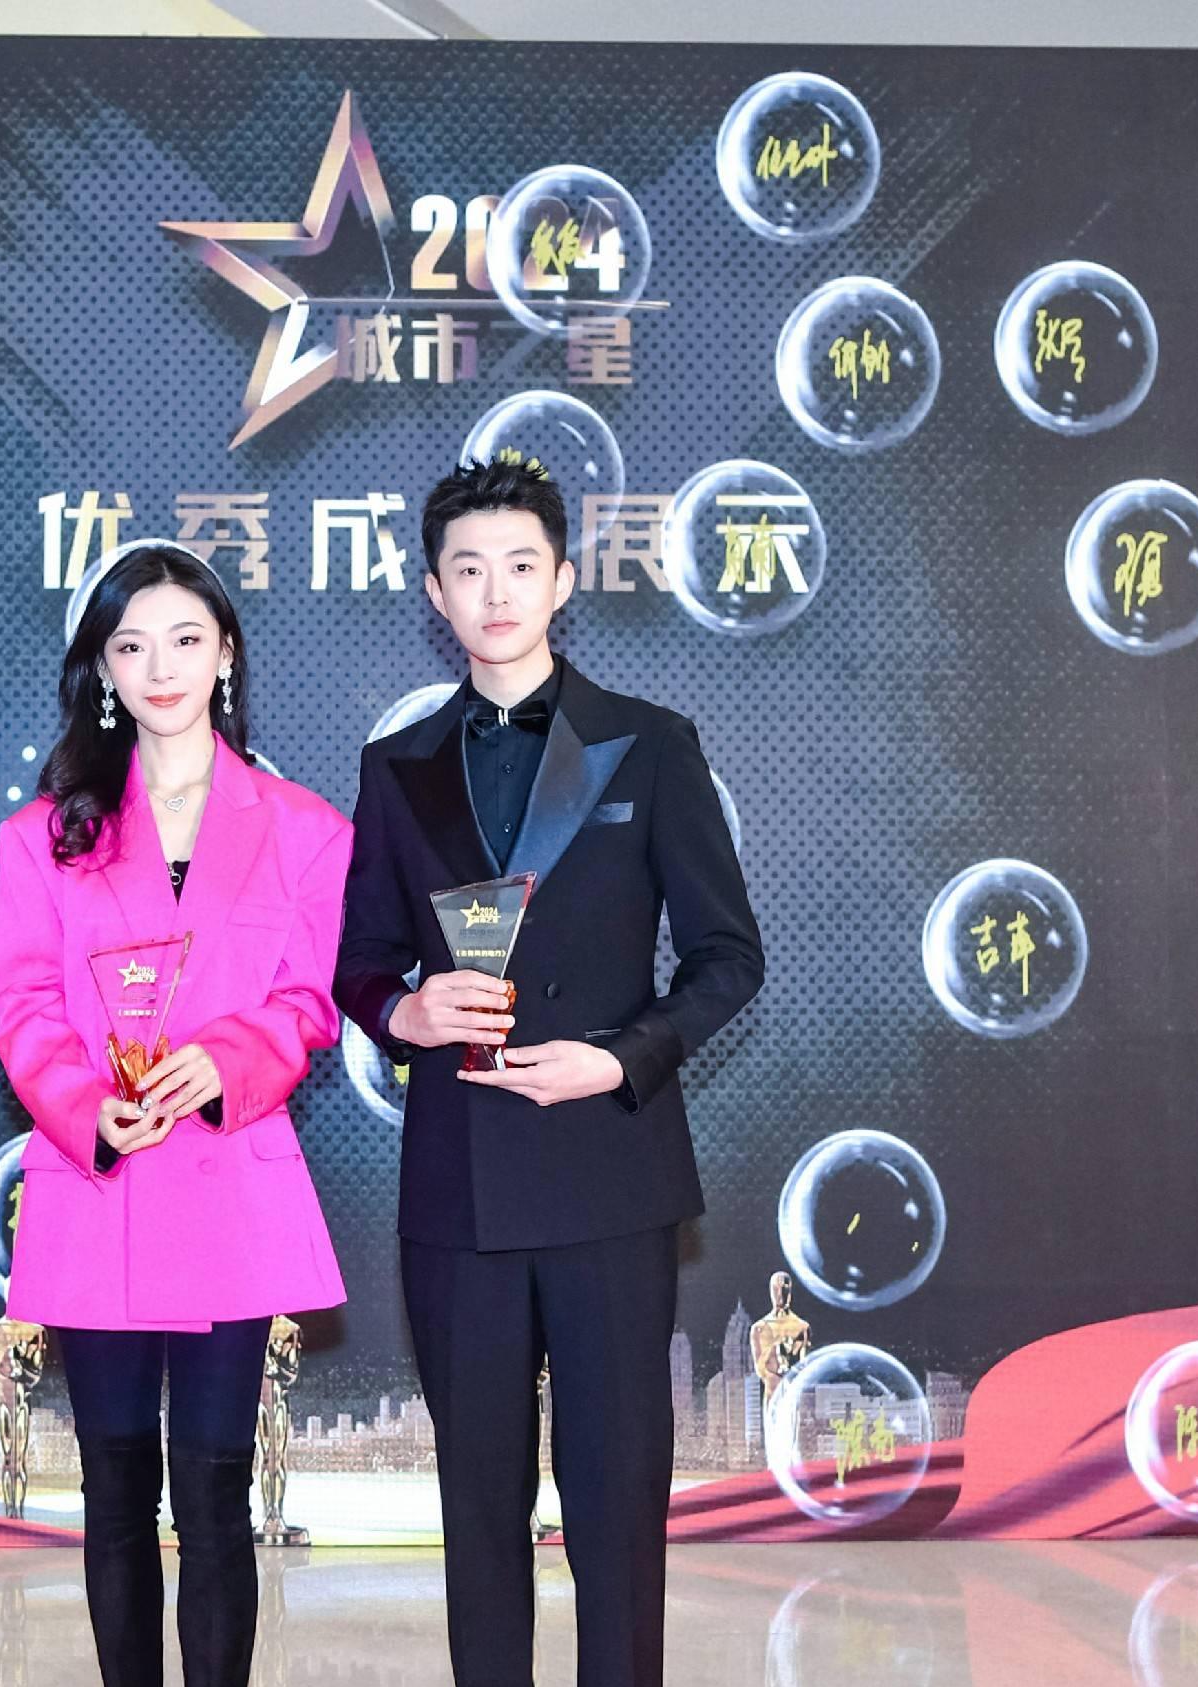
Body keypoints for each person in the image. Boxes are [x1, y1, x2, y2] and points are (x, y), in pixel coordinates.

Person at [335, 457, 764, 1687]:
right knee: (478, 1507)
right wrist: (407, 1010)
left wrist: (617, 1059)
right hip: (458, 1188)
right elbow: (358, 963)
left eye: (520, 564)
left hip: (609, 1176)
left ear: (564, 579)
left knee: (618, 1503)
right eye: (468, 569)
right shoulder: (399, 765)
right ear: (434, 592)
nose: (496, 591)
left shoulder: (650, 745)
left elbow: (729, 959)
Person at [0, 543, 352, 1687]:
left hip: (227, 1179)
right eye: (131, 645)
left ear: (225, 653)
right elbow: (22, 1005)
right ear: (102, 667)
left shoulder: (305, 829)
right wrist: (86, 1106)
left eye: (186, 639)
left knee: (213, 1492)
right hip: (97, 1181)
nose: (161, 667)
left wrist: (228, 1060)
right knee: (113, 1492)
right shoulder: (44, 836)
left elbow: (309, 1003)